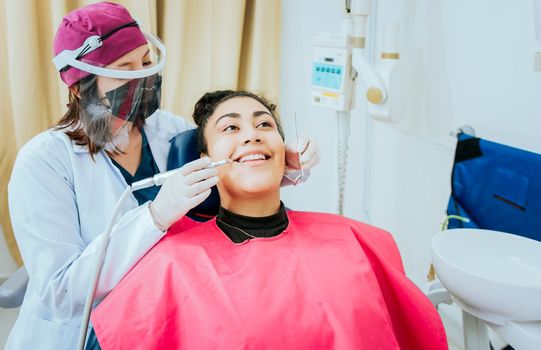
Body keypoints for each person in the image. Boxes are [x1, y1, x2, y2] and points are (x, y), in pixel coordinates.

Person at [5, 3, 318, 350]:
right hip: (81, 333)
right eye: (125, 69)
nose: (143, 76)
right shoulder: (44, 162)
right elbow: (60, 293)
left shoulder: (171, 131)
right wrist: (154, 217)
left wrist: (281, 164)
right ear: (82, 88)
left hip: (162, 319)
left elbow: (225, 178)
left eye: (145, 60)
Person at [89, 90, 448, 350]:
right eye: (230, 129)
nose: (252, 133)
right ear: (204, 160)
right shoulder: (170, 263)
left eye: (264, 125)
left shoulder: (357, 239)